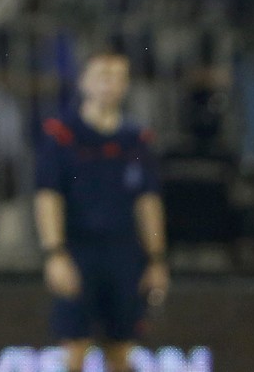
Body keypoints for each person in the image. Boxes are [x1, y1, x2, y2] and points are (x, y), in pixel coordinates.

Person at [34, 53, 169, 372]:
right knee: (74, 347)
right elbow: (48, 197)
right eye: (102, 75)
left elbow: (148, 203)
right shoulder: (62, 136)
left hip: (124, 252)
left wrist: (156, 259)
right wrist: (55, 253)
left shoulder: (136, 141)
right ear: (84, 82)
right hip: (80, 250)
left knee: (122, 349)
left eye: (117, 77)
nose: (109, 84)